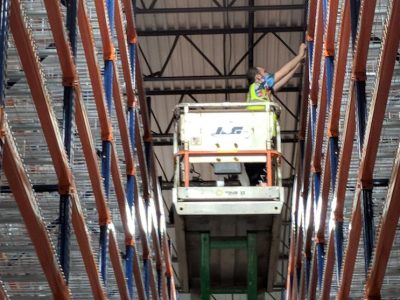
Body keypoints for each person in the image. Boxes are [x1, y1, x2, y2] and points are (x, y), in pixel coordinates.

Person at [245, 43, 307, 186]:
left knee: (262, 163)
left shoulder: (260, 89)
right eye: (265, 72)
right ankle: (260, 183)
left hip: (260, 131)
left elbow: (282, 81)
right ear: (258, 77)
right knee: (262, 164)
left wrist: (298, 64)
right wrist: (299, 55)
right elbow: (282, 71)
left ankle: (259, 184)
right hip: (260, 127)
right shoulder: (259, 85)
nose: (268, 73)